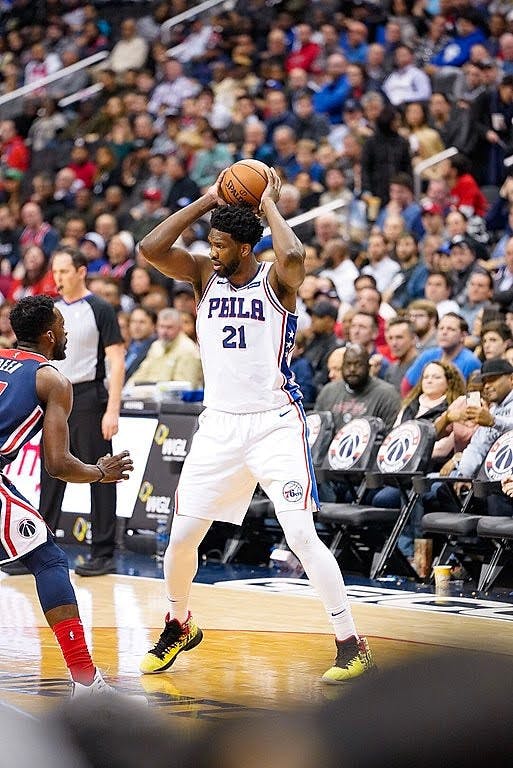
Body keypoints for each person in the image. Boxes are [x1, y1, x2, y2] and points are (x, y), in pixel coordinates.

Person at [138, 167, 375, 684]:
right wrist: (209, 200)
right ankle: (178, 623)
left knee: (301, 534)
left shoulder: (274, 280)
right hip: (219, 424)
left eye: (221, 245)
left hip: (273, 423)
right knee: (181, 539)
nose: (212, 251)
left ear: (245, 248)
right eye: (211, 243)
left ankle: (351, 643)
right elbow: (150, 249)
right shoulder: (204, 275)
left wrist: (267, 202)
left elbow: (295, 257)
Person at [0, 295, 140, 697]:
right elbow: (58, 465)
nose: (66, 333)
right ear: (49, 335)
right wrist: (100, 472)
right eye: (62, 327)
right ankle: (86, 682)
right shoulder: (52, 380)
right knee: (48, 560)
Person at [41, 247, 126, 577]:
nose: (58, 277)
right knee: (51, 473)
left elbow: (116, 359)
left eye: (64, 271)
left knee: (101, 473)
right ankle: (37, 547)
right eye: (55, 271)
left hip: (89, 396)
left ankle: (103, 552)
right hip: (54, 395)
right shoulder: (51, 309)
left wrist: (112, 409)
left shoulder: (100, 308)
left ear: (80, 271)